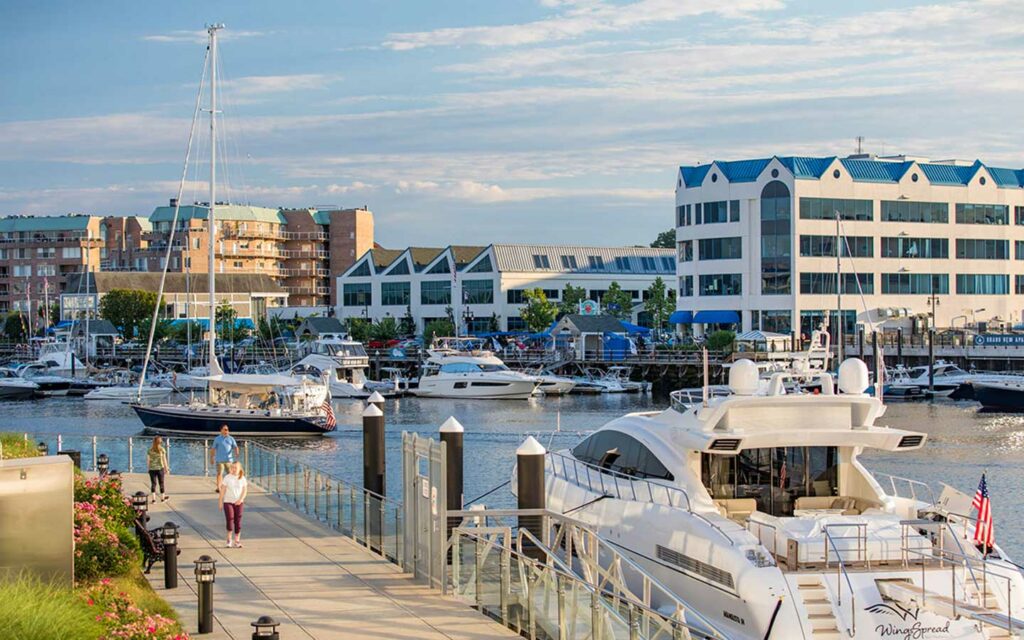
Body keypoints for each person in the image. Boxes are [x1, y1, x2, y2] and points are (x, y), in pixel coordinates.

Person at [218, 461, 248, 548]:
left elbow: (244, 491)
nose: (234, 469)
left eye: (235, 468)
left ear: (239, 469)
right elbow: (223, 490)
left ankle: (237, 540)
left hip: (239, 502)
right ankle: (229, 539)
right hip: (228, 502)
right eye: (232, 467)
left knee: (237, 521)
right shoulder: (227, 477)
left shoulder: (242, 478)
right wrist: (220, 502)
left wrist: (240, 499)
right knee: (230, 520)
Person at [210, 424, 239, 493]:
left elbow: (235, 447)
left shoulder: (231, 438)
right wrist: (212, 458)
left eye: (228, 429)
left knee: (230, 474)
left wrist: (237, 453)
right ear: (221, 430)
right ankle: (219, 487)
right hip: (219, 460)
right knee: (220, 473)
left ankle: (230, 487)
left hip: (229, 460)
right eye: (225, 429)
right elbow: (213, 449)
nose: (227, 431)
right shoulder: (217, 439)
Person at [147, 436, 169, 503]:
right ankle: (162, 498)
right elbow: (164, 460)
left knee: (153, 484)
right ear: (160, 442)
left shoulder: (150, 450)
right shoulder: (162, 450)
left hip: (152, 469)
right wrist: (166, 468)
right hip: (160, 469)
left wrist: (148, 468)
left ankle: (153, 500)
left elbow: (148, 460)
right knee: (161, 483)